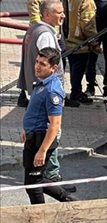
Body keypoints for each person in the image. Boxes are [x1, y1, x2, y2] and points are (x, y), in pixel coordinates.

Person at [21, 47, 77, 204]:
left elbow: (55, 124)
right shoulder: (42, 82)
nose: (37, 66)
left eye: (43, 64)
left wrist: (42, 151)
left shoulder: (52, 91)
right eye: (37, 62)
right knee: (37, 180)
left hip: (40, 140)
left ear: (54, 68)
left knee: (33, 185)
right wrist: (26, 129)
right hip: (33, 137)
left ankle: (40, 218)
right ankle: (69, 200)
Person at [20, 0, 72, 108]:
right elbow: (33, 3)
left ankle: (51, 91)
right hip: (46, 31)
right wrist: (38, 26)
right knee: (44, 62)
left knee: (58, 59)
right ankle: (46, 93)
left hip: (57, 29)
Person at [66, 0, 101, 106]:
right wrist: (94, 42)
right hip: (81, 42)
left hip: (69, 38)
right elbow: (88, 24)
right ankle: (76, 93)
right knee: (79, 69)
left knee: (74, 67)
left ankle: (75, 91)